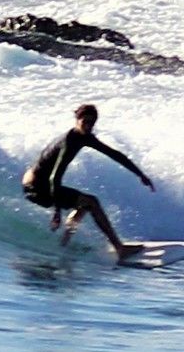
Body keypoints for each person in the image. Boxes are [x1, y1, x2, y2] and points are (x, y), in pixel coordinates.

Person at [22, 103, 151, 257]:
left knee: (85, 204)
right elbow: (54, 177)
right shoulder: (70, 141)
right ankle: (120, 249)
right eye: (85, 122)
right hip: (37, 187)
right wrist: (57, 212)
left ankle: (63, 245)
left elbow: (114, 154)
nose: (88, 126)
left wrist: (140, 174)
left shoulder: (84, 137)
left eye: (92, 123)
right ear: (77, 120)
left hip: (38, 184)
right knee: (92, 202)